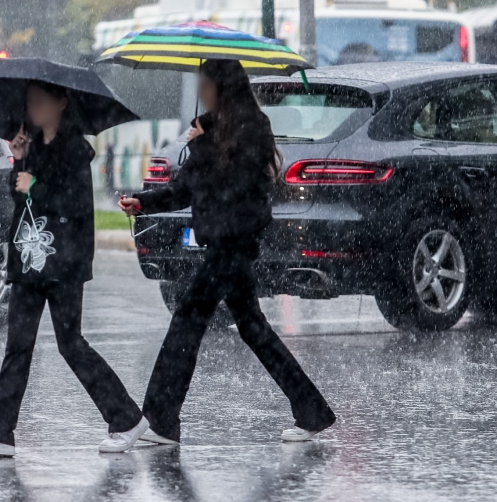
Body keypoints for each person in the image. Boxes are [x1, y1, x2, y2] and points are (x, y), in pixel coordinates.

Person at [119, 59, 336, 444]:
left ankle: (161, 420)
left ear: (224, 87)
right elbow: (185, 189)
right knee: (252, 328)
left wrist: (200, 143)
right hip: (221, 244)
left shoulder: (253, 128)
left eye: (206, 84)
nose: (201, 92)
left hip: (234, 244)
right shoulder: (210, 128)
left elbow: (235, 185)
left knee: (187, 320)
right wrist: (143, 202)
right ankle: (312, 410)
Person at [0, 82, 149, 458]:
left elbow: (74, 206)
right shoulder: (32, 146)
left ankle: (126, 418)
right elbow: (21, 200)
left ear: (61, 103)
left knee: (70, 344)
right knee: (17, 346)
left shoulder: (75, 150)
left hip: (64, 262)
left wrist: (36, 186)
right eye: (29, 101)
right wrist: (19, 161)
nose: (33, 107)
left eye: (40, 101)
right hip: (30, 260)